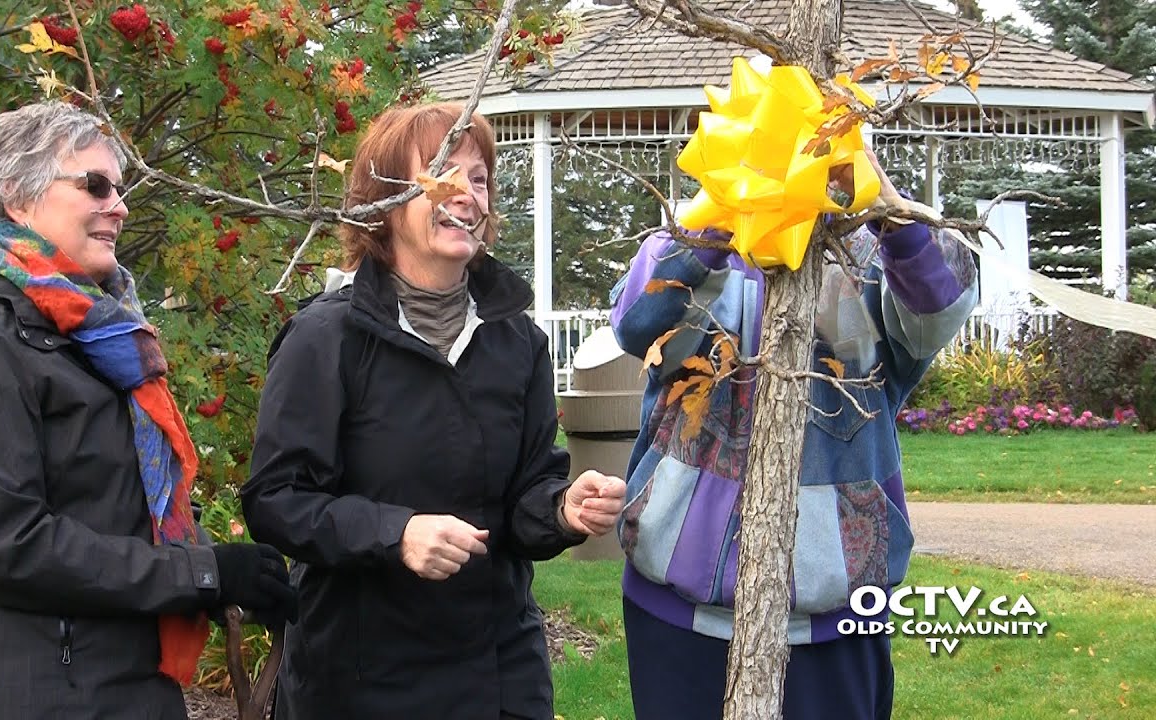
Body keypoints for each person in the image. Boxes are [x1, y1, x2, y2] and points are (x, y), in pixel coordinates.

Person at [0, 101, 297, 720]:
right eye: (96, 185)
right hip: (12, 697)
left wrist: (229, 577)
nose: (120, 206)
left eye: (121, 188)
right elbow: (7, 544)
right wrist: (203, 573)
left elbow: (117, 511)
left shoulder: (97, 339)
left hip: (115, 684)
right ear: (17, 196)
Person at [241, 102, 627, 719]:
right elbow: (275, 501)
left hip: (499, 677)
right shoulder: (326, 339)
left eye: (479, 179)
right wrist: (396, 533)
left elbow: (525, 499)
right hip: (360, 683)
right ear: (386, 201)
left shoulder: (518, 343)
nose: (467, 195)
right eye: (443, 175)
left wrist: (562, 508)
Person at [610, 151, 978, 719]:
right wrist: (723, 212)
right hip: (676, 619)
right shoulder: (697, 235)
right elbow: (637, 324)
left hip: (835, 625)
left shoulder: (875, 253)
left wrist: (886, 208)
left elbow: (940, 307)